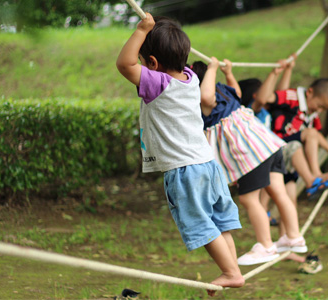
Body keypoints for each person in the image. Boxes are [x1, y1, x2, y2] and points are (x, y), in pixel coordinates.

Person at [115, 14, 244, 295]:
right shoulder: (190, 78)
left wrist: (141, 30)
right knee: (218, 220)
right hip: (209, 165)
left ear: (152, 64)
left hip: (184, 170)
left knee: (199, 221)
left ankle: (230, 272)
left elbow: (124, 64)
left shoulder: (157, 83)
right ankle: (232, 269)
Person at [192, 58, 308, 267]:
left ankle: (266, 245)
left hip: (250, 153)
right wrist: (228, 74)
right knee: (278, 192)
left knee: (248, 198)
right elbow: (237, 91)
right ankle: (293, 236)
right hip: (267, 144)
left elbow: (206, 96)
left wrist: (213, 68)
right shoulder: (225, 92)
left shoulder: (205, 100)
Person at [239, 59, 328, 201]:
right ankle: (315, 176)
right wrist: (278, 72)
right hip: (280, 145)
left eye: (323, 109)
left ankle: (274, 218)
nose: (319, 110)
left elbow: (317, 136)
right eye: (319, 105)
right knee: (303, 140)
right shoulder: (292, 98)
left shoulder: (313, 115)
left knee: (289, 198)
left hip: (291, 157)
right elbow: (272, 96)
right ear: (310, 92)